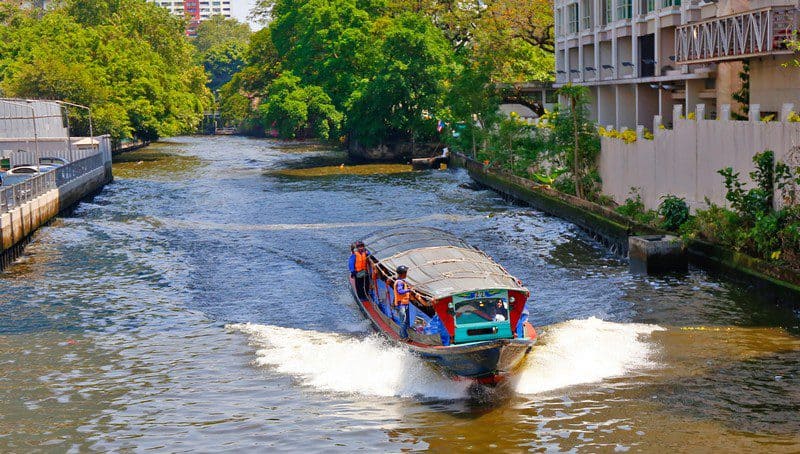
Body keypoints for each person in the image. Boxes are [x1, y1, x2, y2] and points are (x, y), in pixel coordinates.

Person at [393, 265, 412, 339]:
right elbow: (400, 291)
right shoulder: (399, 282)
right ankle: (403, 337)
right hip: (401, 305)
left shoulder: (401, 281)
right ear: (403, 274)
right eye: (406, 272)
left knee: (405, 321)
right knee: (403, 322)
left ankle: (404, 335)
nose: (406, 274)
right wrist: (408, 290)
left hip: (404, 304)